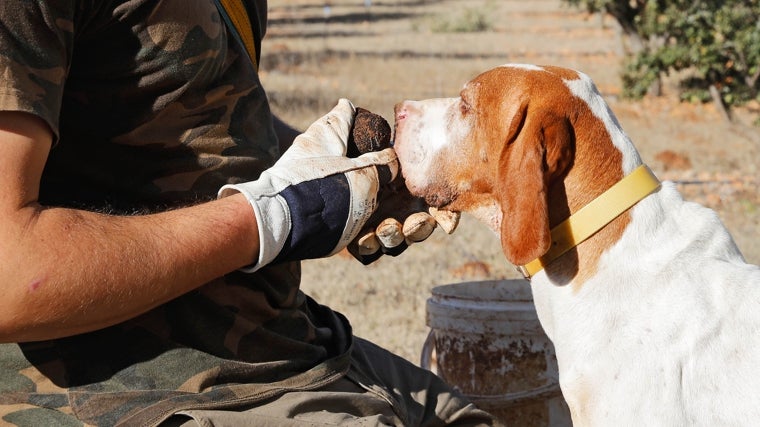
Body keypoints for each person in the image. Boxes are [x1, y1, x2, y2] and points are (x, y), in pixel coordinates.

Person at [0, 1, 498, 425]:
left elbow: (210, 124)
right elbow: (11, 274)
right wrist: (278, 214)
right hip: (135, 391)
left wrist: (343, 172)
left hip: (287, 347)